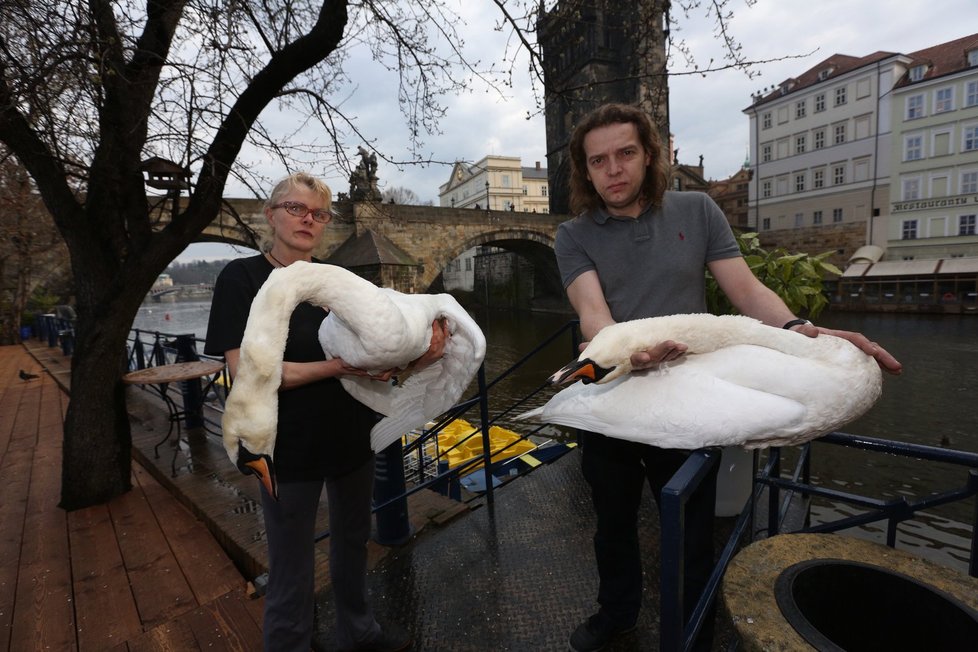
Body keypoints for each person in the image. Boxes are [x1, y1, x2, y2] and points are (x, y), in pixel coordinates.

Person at [554, 103, 902, 652]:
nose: (613, 170)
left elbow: (747, 293)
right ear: (585, 170)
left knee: (693, 522)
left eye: (625, 154)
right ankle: (616, 613)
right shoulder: (573, 236)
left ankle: (694, 622)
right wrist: (630, 352)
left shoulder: (697, 211)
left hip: (693, 398)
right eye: (599, 161)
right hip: (613, 398)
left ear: (649, 155)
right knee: (612, 519)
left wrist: (801, 331)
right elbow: (595, 318)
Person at [205, 172, 446, 652]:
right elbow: (249, 372)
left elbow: (375, 362)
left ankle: (359, 630)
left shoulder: (340, 284)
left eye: (318, 213)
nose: (308, 220)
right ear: (270, 215)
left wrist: (420, 356)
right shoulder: (244, 279)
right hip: (287, 447)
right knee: (291, 564)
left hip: (352, 436)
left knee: (353, 542)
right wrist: (337, 366)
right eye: (295, 208)